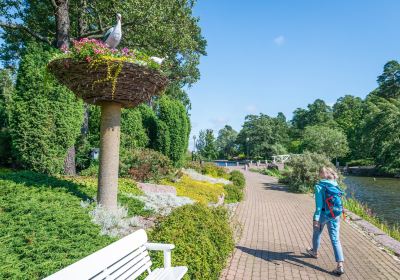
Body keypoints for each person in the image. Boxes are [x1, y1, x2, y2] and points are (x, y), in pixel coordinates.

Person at [306, 166, 345, 275]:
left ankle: (314, 252)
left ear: (322, 174)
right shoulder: (335, 184)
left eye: (319, 172)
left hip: (323, 214)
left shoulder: (319, 186)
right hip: (335, 214)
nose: (318, 174)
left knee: (317, 232)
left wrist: (316, 219)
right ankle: (340, 265)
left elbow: (318, 207)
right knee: (335, 239)